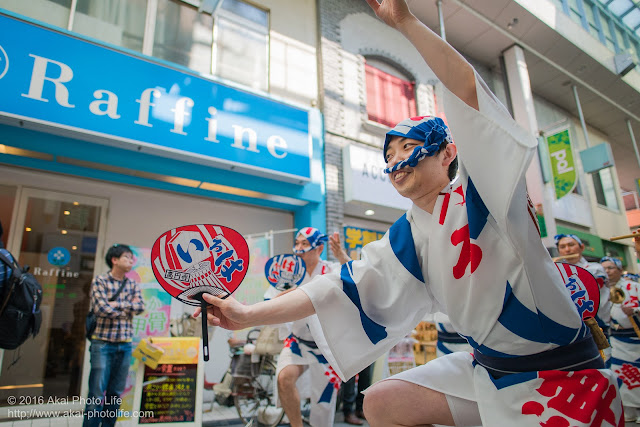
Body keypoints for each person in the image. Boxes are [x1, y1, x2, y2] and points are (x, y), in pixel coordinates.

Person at [195, 0, 623, 425]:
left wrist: (406, 23)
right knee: (380, 401)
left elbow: (469, 94)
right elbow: (335, 287)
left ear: (448, 153)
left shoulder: (485, 193)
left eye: (408, 147)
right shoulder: (409, 234)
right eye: (390, 153)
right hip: (488, 370)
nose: (397, 160)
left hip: (559, 375)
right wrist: (246, 314)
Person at [273, 227, 342, 427]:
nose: (299, 248)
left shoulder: (331, 269)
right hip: (297, 341)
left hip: (327, 348)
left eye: (304, 244)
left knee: (323, 402)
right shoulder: (289, 271)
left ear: (319, 248)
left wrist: (342, 255)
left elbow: (355, 278)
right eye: (297, 243)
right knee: (284, 378)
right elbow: (272, 298)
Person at [84, 244, 145, 427]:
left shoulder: (133, 284)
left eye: (132, 258)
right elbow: (101, 309)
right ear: (114, 260)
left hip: (125, 344)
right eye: (127, 257)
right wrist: (127, 305)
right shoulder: (100, 281)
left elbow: (140, 306)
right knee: (96, 392)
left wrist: (115, 305)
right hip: (102, 344)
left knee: (115, 392)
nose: (131, 261)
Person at [555, 233, 612, 364]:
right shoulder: (556, 271)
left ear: (581, 247)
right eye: (562, 247)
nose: (567, 250)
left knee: (603, 364)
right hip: (571, 329)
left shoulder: (595, 268)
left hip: (597, 324)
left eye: (571, 245)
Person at [601, 256, 640, 422]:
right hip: (614, 338)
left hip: (634, 336)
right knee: (618, 373)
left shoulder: (634, 286)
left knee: (636, 374)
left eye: (610, 268)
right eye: (604, 268)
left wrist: (636, 309)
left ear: (619, 269)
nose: (607, 271)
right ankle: (628, 409)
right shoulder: (601, 288)